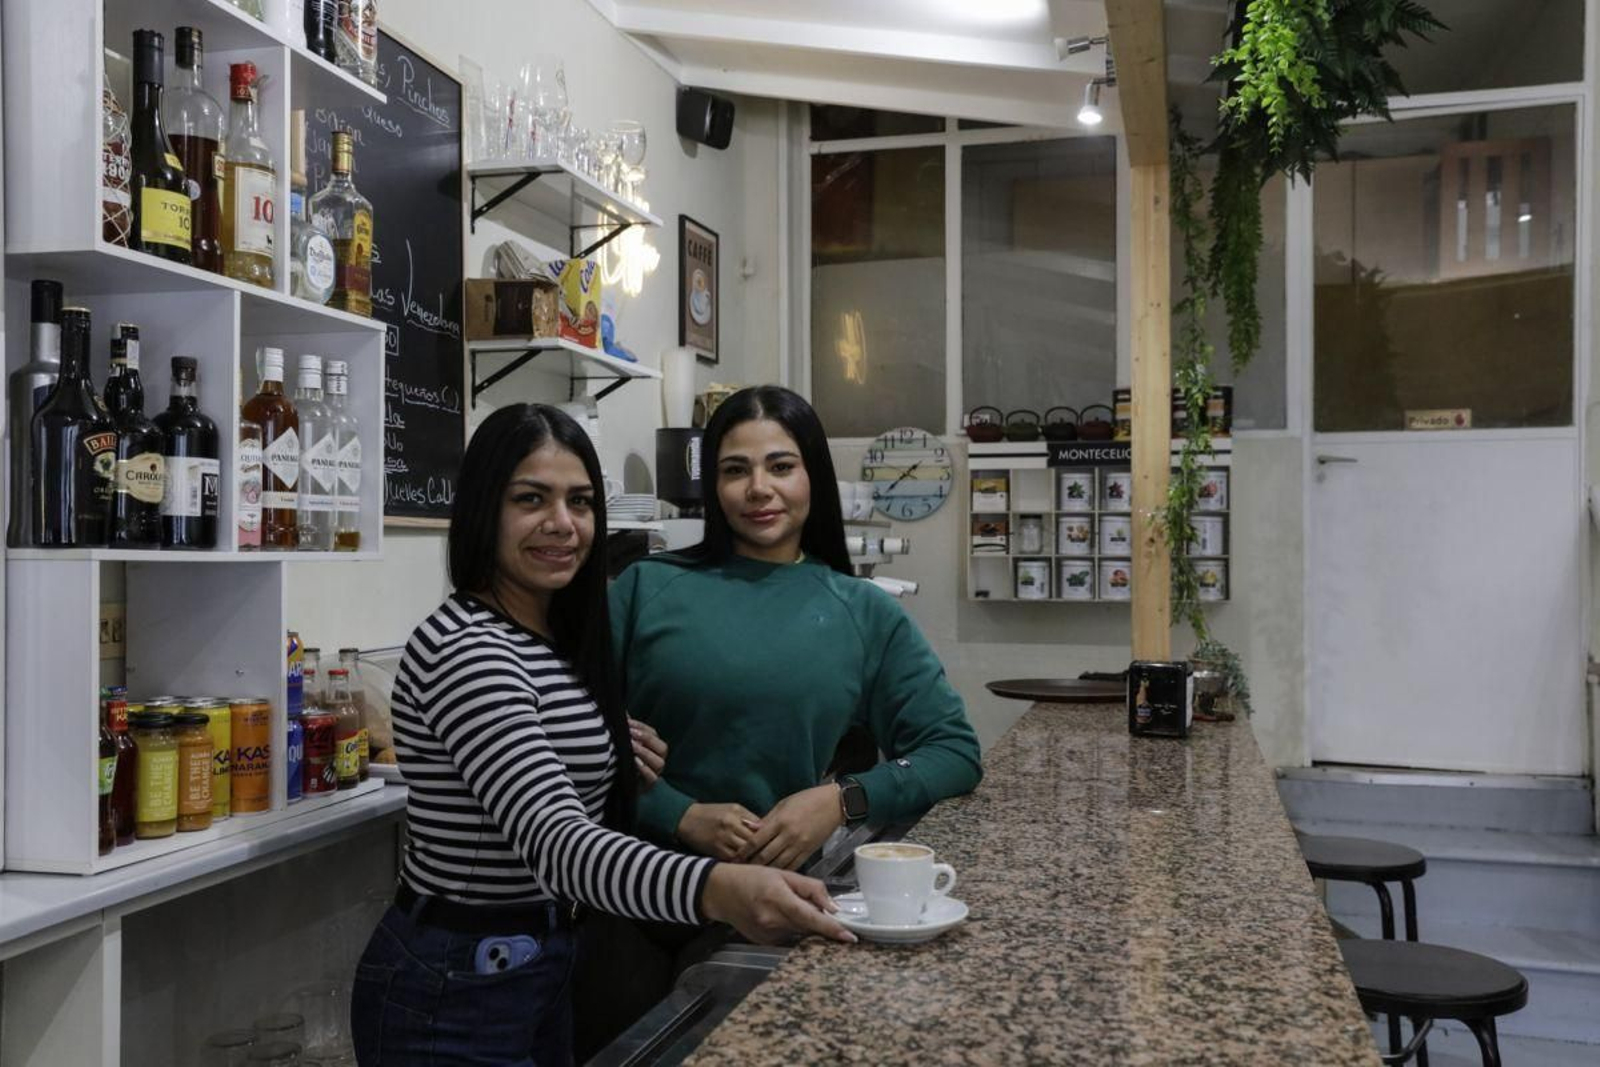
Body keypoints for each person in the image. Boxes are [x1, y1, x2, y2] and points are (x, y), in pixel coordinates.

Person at [350, 404, 853, 1067]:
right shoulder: (468, 649)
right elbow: (560, 847)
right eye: (531, 499)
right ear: (482, 510)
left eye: (580, 501)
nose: (562, 523)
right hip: (456, 983)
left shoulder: (548, 642)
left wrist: (610, 739)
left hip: (537, 962)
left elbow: (544, 746)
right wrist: (722, 886)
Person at [574, 385, 982, 1055]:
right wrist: (678, 813)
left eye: (781, 466)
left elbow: (954, 750)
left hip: (766, 906)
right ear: (714, 486)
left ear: (812, 475)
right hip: (627, 896)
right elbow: (570, 734)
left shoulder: (863, 611)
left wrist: (841, 798)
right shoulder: (646, 587)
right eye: (735, 469)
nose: (758, 488)